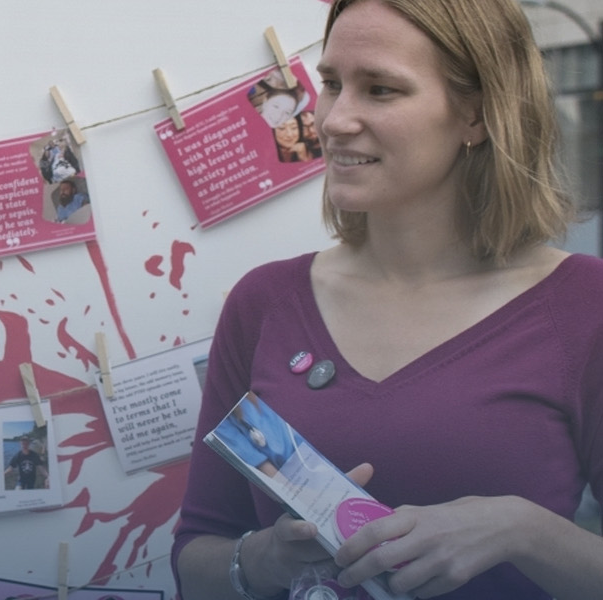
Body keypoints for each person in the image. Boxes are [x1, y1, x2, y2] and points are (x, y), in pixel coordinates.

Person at [172, 1, 603, 599]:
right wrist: (268, 557)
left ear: (476, 115)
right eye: (330, 84)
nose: (334, 119)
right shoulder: (264, 301)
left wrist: (522, 530)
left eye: (380, 89)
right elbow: (196, 559)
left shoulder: (583, 304)